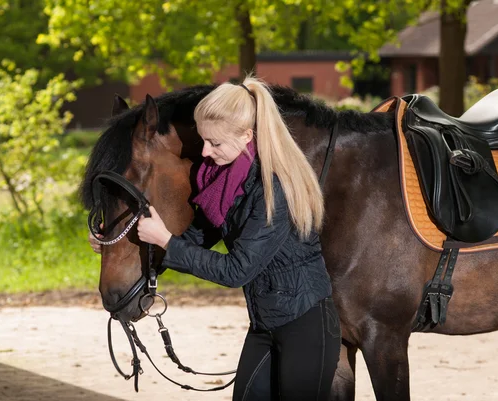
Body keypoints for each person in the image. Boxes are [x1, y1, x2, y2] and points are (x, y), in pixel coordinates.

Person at [91, 76, 341, 401]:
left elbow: (237, 270)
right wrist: (121, 240)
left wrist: (166, 241)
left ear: (246, 136)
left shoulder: (274, 187)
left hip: (305, 326)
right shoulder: (224, 182)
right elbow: (192, 242)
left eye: (215, 143)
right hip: (265, 324)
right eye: (204, 141)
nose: (205, 153)